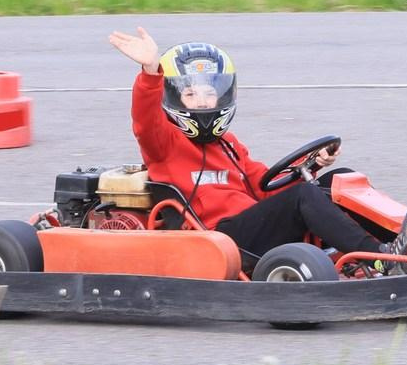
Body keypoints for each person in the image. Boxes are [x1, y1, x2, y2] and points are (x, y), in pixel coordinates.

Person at [109, 26, 384, 268]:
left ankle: (397, 241)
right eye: (191, 94)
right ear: (173, 97)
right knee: (303, 195)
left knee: (340, 179)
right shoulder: (165, 143)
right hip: (219, 239)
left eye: (209, 93)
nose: (203, 102)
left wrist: (311, 165)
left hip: (254, 227)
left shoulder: (228, 144)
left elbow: (266, 187)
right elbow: (145, 121)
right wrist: (150, 71)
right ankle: (379, 258)